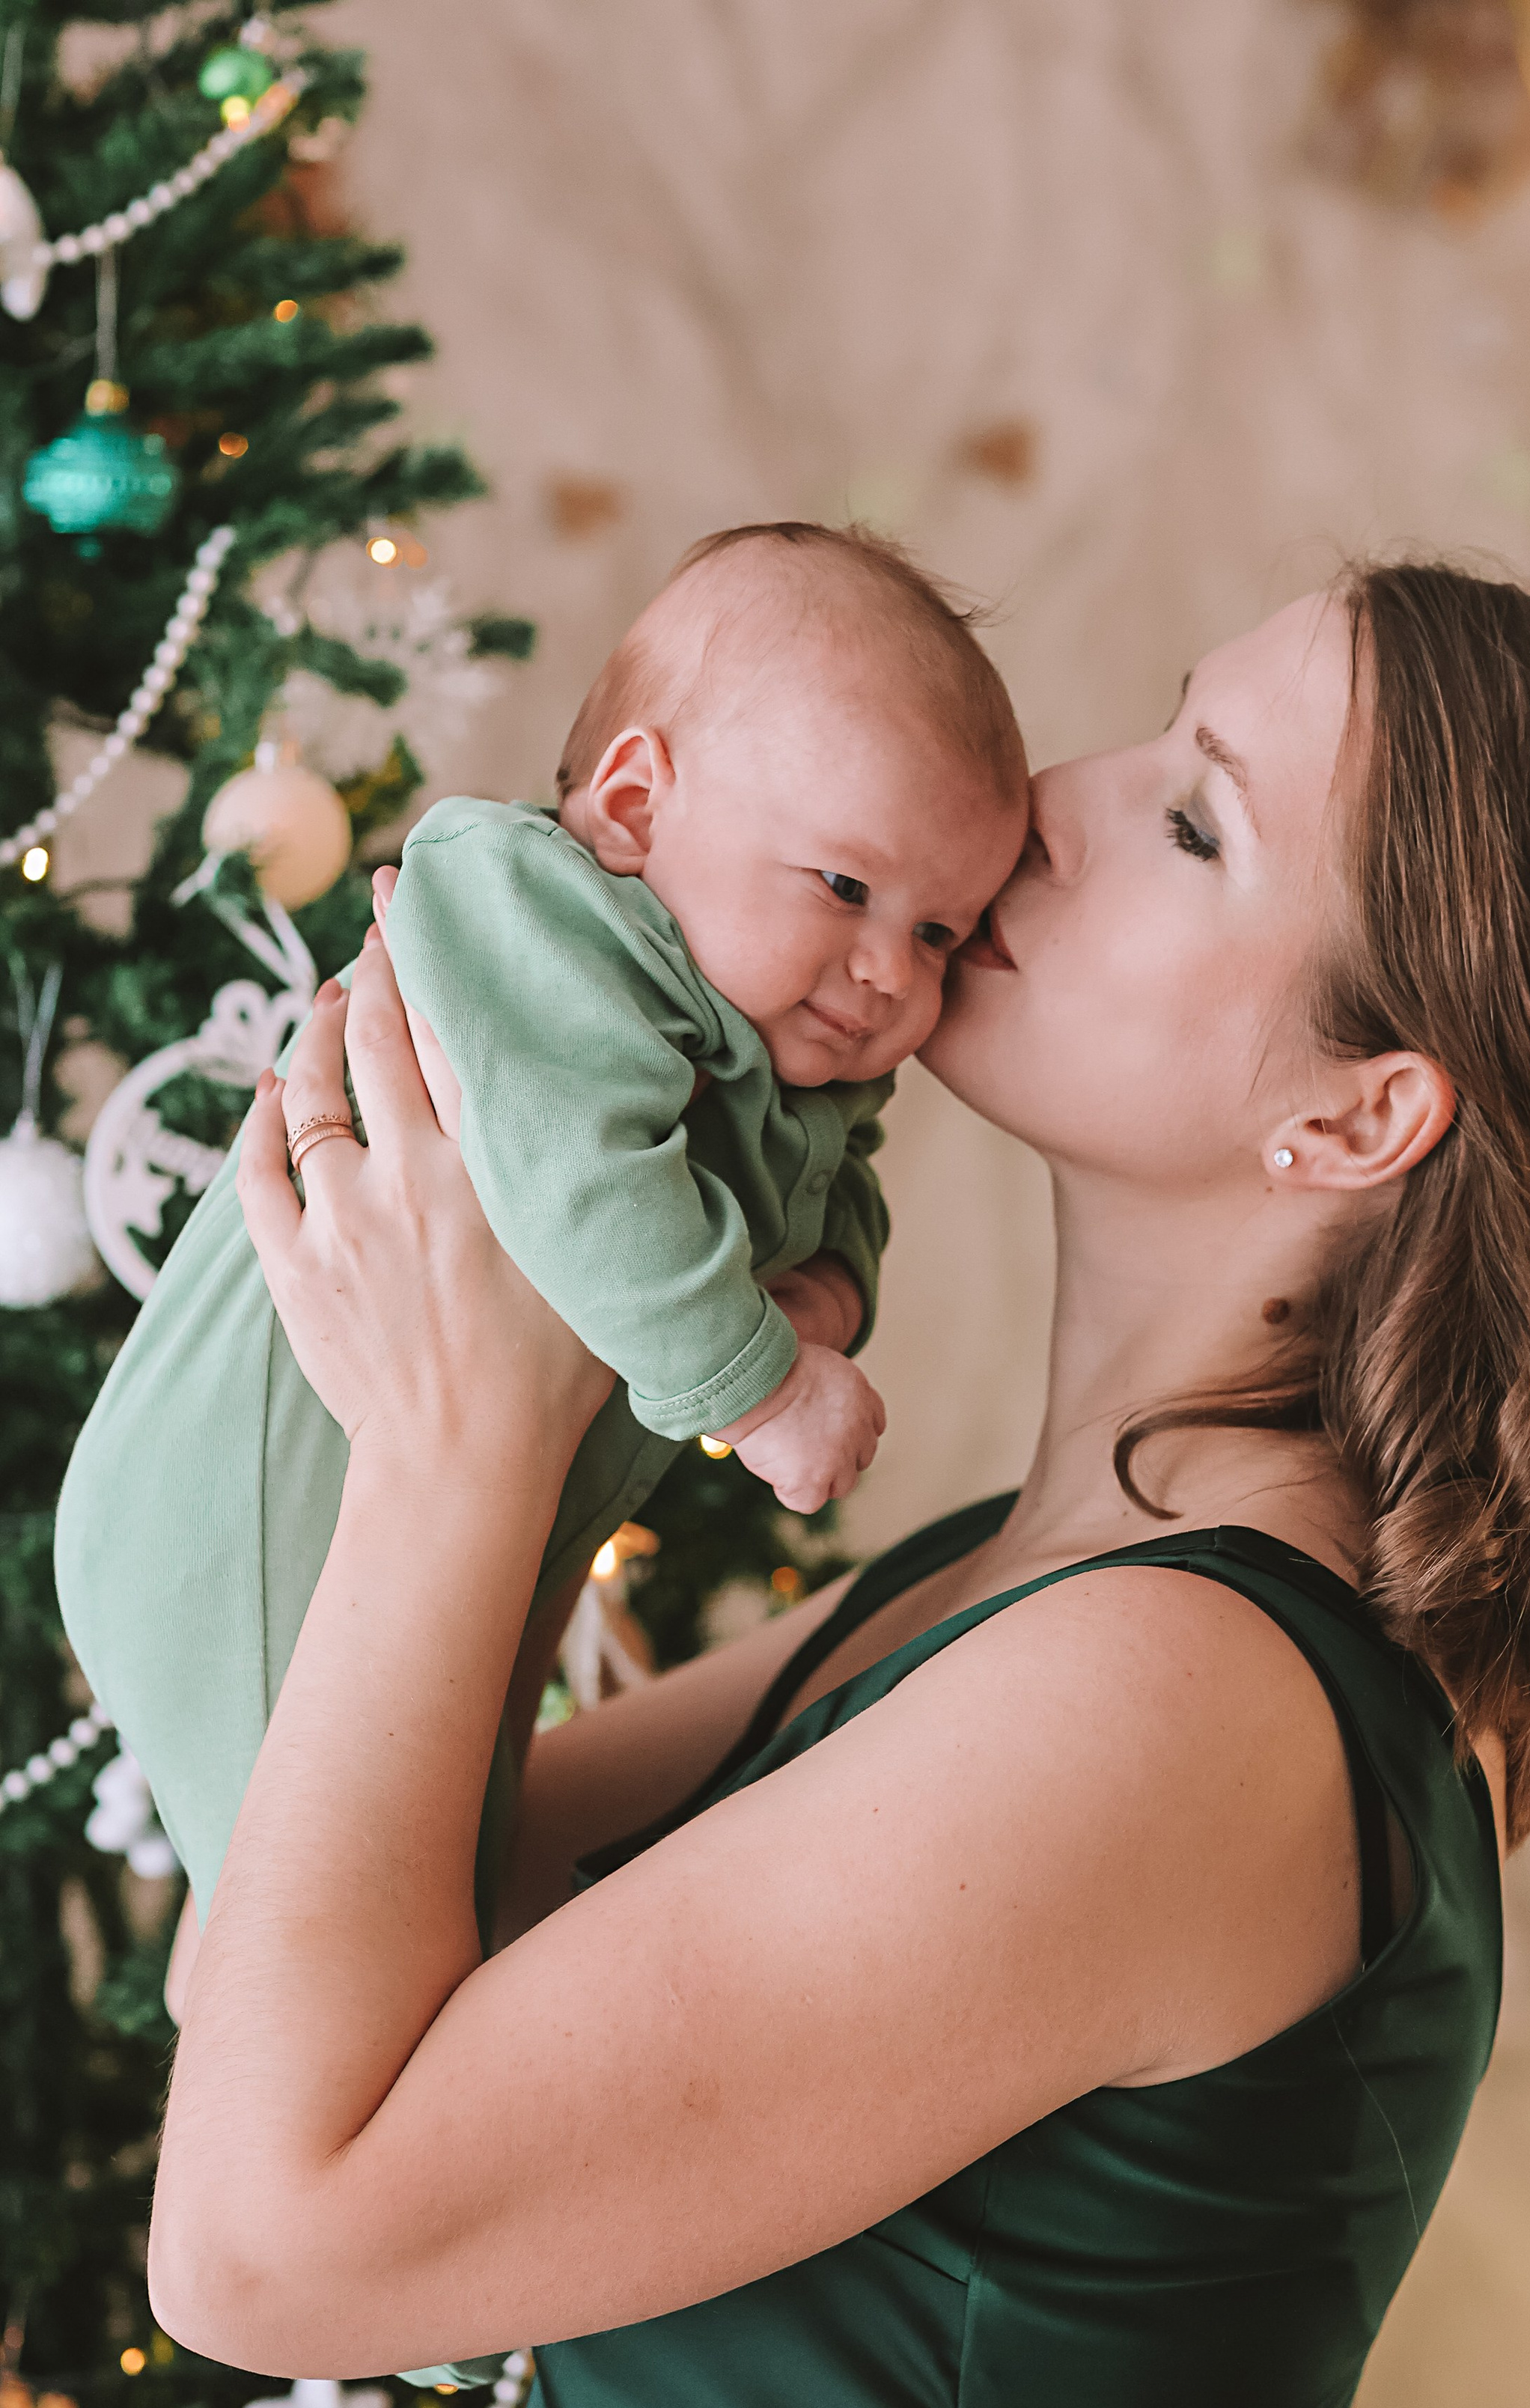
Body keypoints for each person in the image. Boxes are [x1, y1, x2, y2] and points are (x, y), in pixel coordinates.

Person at [148, 561, 1530, 2408]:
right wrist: (531, 1253)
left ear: (1358, 1114)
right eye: (1150, 732)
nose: (1044, 805)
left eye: (1198, 821)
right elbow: (272, 1963)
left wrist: (465, 1450)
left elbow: (260, 2249)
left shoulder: (1173, 1700)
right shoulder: (1008, 1594)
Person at [55, 522, 1027, 1924]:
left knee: (438, 1857)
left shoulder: (787, 1061)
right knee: (325, 1913)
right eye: (848, 888)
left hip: (444, 1518)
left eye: (939, 932)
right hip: (243, 1504)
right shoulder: (535, 914)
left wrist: (825, 1300)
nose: (889, 974)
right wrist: (759, 1387)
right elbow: (577, 1170)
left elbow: (840, 1192)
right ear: (632, 806)